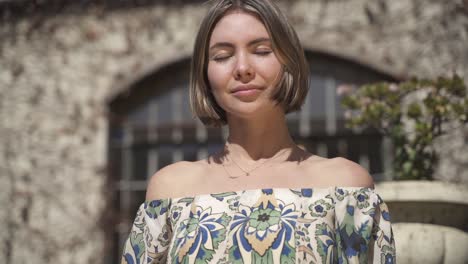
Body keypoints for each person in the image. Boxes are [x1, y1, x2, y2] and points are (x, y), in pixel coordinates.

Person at [121, 0, 396, 263]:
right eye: (222, 56)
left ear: (290, 62)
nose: (242, 68)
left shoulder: (345, 187)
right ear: (205, 75)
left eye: (262, 51)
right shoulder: (171, 192)